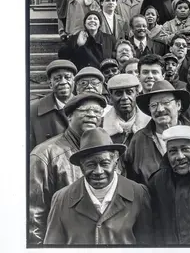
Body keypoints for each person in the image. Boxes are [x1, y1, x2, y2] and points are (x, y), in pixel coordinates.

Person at [43, 128, 152, 245]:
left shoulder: (138, 194)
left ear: (115, 161)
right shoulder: (61, 199)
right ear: (81, 166)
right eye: (90, 164)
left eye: (105, 163)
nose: (98, 171)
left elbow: (148, 245)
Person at [29, 93, 107, 245]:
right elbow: (34, 217)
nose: (91, 115)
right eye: (85, 110)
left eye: (97, 111)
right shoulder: (45, 154)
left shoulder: (107, 153)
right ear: (69, 115)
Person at [123, 80, 190, 185]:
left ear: (178, 105)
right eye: (154, 105)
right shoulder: (139, 139)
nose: (160, 109)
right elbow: (132, 181)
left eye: (166, 103)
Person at [30, 60, 77, 150]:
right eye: (57, 78)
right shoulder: (34, 110)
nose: (63, 82)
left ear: (74, 82)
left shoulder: (84, 107)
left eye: (67, 77)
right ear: (50, 84)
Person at [103, 74, 151, 146]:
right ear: (110, 97)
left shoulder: (150, 124)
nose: (125, 97)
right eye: (118, 93)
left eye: (129, 92)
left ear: (137, 94)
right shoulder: (102, 126)